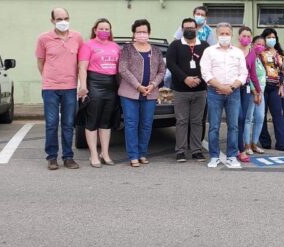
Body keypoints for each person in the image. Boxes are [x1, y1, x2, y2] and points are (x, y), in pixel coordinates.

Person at [35, 8, 84, 170]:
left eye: (66, 18)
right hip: (50, 88)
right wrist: (49, 78)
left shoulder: (77, 37)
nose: (63, 21)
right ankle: (52, 157)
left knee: (69, 123)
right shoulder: (44, 38)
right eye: (59, 19)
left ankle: (68, 157)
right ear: (52, 21)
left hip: (70, 87)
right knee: (51, 123)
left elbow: (81, 62)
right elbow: (41, 62)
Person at [118, 19, 166, 167]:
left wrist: (153, 85)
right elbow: (123, 69)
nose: (141, 34)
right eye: (138, 32)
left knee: (146, 124)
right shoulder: (127, 49)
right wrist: (138, 86)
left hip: (150, 93)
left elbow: (162, 71)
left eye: (144, 32)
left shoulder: (156, 51)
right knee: (131, 124)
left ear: (149, 33)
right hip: (130, 93)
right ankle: (133, 155)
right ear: (134, 33)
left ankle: (142, 153)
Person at [200, 22, 248, 169]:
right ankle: (214, 156)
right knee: (214, 126)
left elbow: (243, 73)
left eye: (227, 33)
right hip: (215, 92)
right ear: (217, 34)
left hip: (234, 92)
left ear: (232, 35)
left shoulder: (238, 52)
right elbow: (205, 72)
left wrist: (231, 87)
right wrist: (221, 87)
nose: (224, 36)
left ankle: (232, 156)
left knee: (233, 126)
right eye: (222, 33)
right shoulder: (209, 51)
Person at [77, 18, 120, 168]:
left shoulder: (115, 46)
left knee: (106, 122)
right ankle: (94, 155)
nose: (104, 31)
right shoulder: (87, 45)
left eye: (107, 29)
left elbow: (120, 69)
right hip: (94, 83)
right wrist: (83, 86)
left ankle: (105, 154)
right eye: (101, 28)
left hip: (111, 85)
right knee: (92, 121)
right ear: (95, 30)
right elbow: (82, 68)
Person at [166, 18, 210, 163]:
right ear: (182, 29)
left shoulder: (204, 46)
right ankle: (181, 151)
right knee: (182, 121)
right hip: (180, 90)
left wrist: (199, 79)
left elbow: (208, 65)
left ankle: (196, 150)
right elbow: (172, 64)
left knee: (197, 121)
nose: (189, 30)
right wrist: (185, 78)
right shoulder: (175, 45)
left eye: (192, 28)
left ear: (197, 29)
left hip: (201, 89)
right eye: (186, 28)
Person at [258, 28, 284, 151]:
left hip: (275, 87)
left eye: (273, 37)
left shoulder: (280, 53)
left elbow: (282, 71)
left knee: (278, 115)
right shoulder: (260, 52)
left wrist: (281, 86)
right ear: (264, 38)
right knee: (262, 116)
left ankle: (282, 143)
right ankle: (265, 142)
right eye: (269, 37)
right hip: (263, 87)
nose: (271, 39)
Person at [235, 26, 260, 163]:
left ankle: (241, 149)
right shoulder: (233, 50)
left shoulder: (252, 53)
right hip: (233, 88)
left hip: (246, 89)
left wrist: (258, 91)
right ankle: (235, 148)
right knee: (237, 118)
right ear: (239, 37)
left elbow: (253, 74)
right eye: (244, 35)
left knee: (243, 118)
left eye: (249, 36)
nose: (246, 38)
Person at [244, 36, 267, 155]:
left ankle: (254, 143)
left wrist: (260, 92)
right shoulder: (250, 57)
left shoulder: (260, 58)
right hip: (252, 92)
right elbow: (249, 76)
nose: (260, 46)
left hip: (261, 92)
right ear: (252, 44)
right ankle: (246, 145)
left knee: (260, 118)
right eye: (258, 44)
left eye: (263, 45)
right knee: (249, 119)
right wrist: (255, 92)